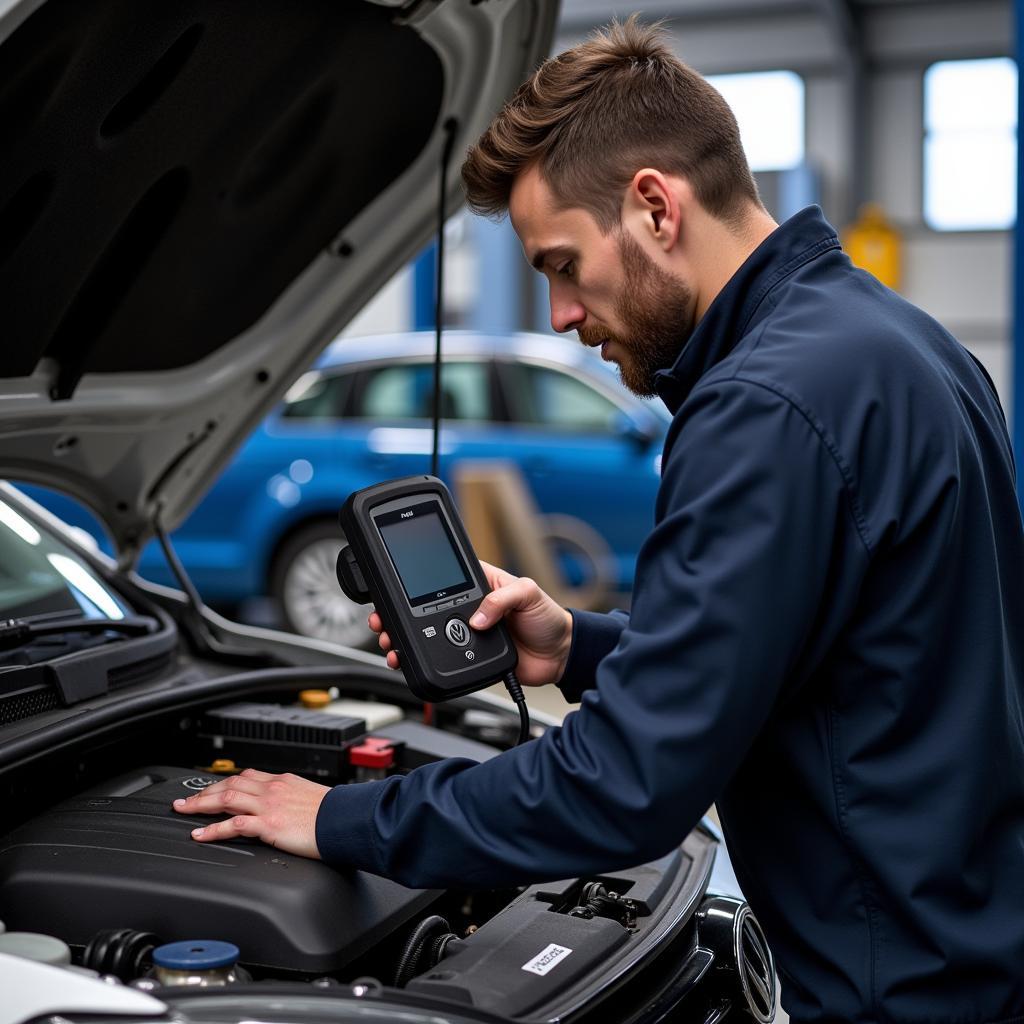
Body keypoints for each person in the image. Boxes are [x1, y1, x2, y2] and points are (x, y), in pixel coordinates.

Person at [173, 18, 1024, 1023]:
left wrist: (342, 817)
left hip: (901, 990)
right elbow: (821, 656)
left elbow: (624, 785)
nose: (560, 316)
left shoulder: (763, 406)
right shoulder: (900, 342)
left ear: (655, 207)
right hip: (972, 939)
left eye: (561, 264)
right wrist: (578, 643)